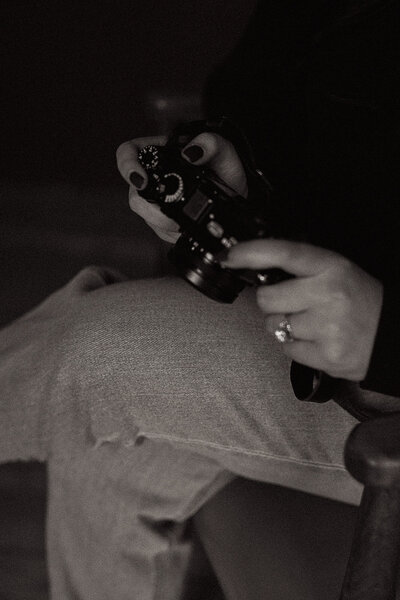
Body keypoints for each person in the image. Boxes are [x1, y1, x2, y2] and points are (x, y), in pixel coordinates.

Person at [0, 1, 399, 598]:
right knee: (111, 452)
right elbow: (260, 78)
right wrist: (240, 166)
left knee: (100, 353)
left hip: (381, 392)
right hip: (309, 311)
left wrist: (388, 337)